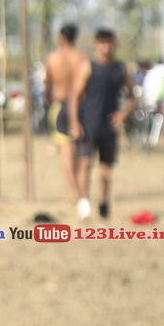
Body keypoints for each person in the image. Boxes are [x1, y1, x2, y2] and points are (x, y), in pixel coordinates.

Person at [69, 28, 136, 220]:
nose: (106, 47)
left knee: (106, 168)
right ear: (96, 46)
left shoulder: (121, 69)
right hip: (89, 123)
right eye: (102, 43)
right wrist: (74, 122)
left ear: (114, 44)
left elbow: (132, 97)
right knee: (85, 163)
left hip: (109, 126)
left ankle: (104, 205)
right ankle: (83, 204)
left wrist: (124, 113)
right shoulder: (88, 67)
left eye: (109, 43)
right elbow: (74, 96)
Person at [43, 24, 88, 204]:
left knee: (66, 152)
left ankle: (74, 192)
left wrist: (49, 102)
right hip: (81, 107)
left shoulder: (53, 58)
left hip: (60, 105)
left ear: (61, 38)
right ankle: (80, 190)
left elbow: (47, 86)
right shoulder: (83, 58)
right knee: (80, 152)